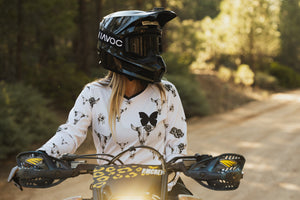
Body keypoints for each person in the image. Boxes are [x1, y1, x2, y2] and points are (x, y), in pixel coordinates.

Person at [11, 8, 192, 200]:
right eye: (141, 45)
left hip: (159, 186)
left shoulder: (166, 92)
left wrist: (172, 179)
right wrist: (37, 159)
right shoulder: (94, 94)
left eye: (152, 46)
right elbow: (70, 134)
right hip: (109, 188)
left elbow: (177, 147)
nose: (150, 53)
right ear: (116, 50)